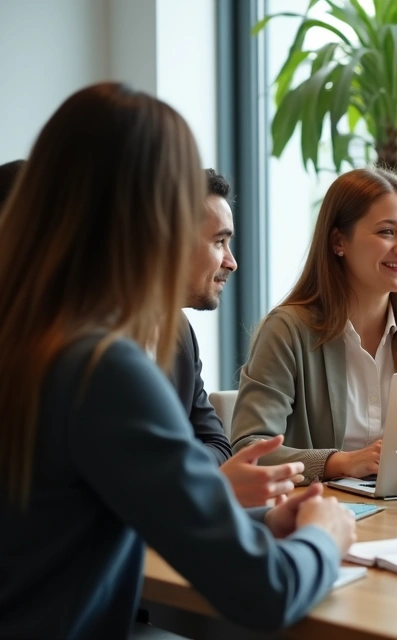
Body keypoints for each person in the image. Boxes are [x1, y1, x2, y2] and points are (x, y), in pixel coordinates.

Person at [0, 83, 356, 637]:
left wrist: (258, 523)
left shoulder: (30, 340)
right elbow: (265, 593)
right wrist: (324, 534)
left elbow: (91, 513)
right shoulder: (101, 369)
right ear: (153, 217)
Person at [230, 167, 397, 483]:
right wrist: (342, 462)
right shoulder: (288, 330)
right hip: (320, 512)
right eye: (387, 232)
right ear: (338, 242)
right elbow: (251, 450)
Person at [175, 169, 303, 506]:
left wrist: (178, 470)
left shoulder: (179, 332)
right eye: (219, 242)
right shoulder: (102, 346)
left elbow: (219, 446)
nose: (232, 262)